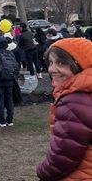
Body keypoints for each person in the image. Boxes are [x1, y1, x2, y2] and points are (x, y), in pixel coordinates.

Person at [37, 38, 92, 180]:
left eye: (61, 63)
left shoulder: (74, 101)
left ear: (79, 65)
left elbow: (63, 158)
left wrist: (42, 171)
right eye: (51, 62)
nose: (51, 69)